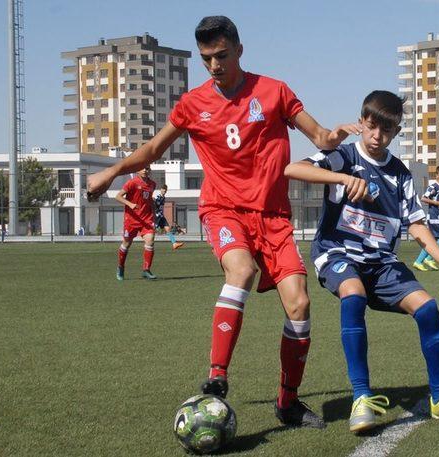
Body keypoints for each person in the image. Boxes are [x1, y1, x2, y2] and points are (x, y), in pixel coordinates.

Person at [86, 16, 361, 428]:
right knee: (241, 270)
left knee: (300, 304)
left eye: (221, 55)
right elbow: (152, 151)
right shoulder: (193, 104)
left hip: (272, 216)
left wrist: (333, 136)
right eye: (206, 59)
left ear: (239, 50)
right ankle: (217, 376)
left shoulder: (273, 92)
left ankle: (287, 403)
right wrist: (110, 173)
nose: (214, 65)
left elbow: (318, 137)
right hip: (224, 209)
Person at [284, 90, 439, 433]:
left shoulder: (400, 174)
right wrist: (342, 179)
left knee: (429, 309)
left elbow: (416, 223)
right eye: (371, 127)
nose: (377, 136)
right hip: (338, 253)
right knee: (353, 294)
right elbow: (293, 168)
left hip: (382, 262)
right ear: (362, 123)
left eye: (386, 131)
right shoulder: (343, 157)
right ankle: (361, 398)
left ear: (396, 133)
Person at [115, 166, 158, 280]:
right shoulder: (132, 183)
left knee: (150, 240)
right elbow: (118, 196)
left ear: (150, 171)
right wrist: (130, 204)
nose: (145, 170)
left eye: (147, 168)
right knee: (126, 244)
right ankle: (120, 267)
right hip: (131, 219)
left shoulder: (152, 184)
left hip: (146, 219)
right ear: (137, 170)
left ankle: (146, 269)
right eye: (142, 168)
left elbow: (149, 200)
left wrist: (154, 215)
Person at [413, 165, 439, 271]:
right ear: (437, 175)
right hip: (433, 216)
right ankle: (429, 258)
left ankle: (419, 261)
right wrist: (436, 202)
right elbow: (423, 198)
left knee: (432, 241)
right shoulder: (433, 186)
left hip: (438, 215)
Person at [154, 184, 185, 250]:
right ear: (161, 190)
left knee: (168, 229)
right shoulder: (158, 197)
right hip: (157, 217)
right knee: (152, 231)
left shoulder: (163, 197)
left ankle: (174, 244)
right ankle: (148, 243)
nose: (164, 192)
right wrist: (154, 201)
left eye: (165, 191)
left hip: (161, 216)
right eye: (163, 190)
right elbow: (155, 205)